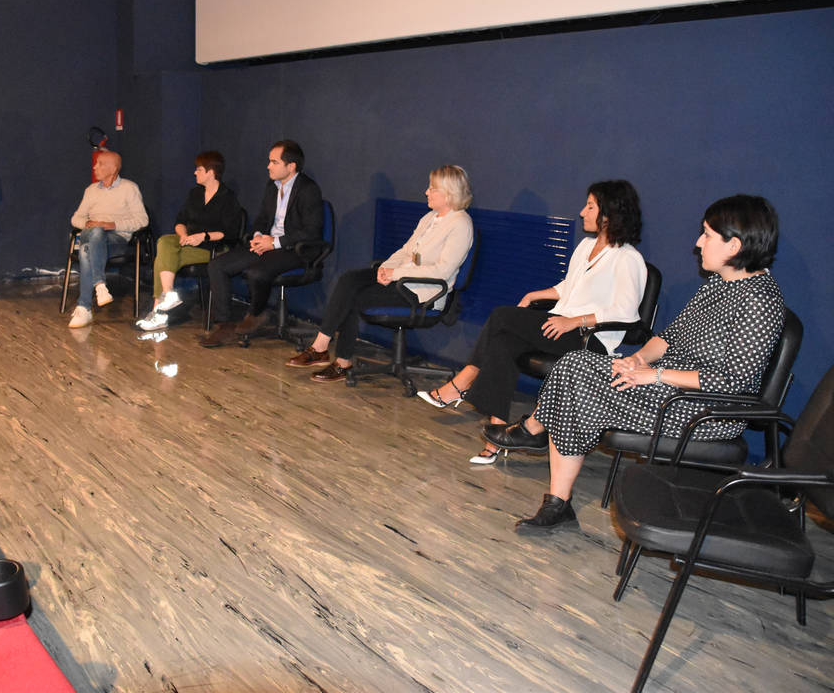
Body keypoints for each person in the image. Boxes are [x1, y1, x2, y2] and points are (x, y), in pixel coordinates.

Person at [487, 195, 785, 531]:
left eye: (706, 234)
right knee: (574, 364)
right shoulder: (719, 284)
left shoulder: (760, 301)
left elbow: (732, 383)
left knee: (575, 375)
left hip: (704, 410)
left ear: (734, 245)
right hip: (668, 387)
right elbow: (668, 338)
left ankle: (537, 439)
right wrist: (636, 359)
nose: (698, 243)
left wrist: (654, 375)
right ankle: (554, 492)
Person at [421, 181, 647, 466]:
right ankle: (497, 435)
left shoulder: (628, 258)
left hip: (589, 338)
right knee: (503, 343)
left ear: (609, 213)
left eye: (590, 206)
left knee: (502, 316)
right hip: (561, 325)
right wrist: (535, 295)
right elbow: (569, 287)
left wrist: (574, 321)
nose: (582, 212)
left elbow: (627, 313)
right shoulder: (586, 246)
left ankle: (464, 380)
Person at [285, 166, 474, 382]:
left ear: (448, 193)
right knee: (349, 279)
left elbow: (443, 271)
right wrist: (385, 268)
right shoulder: (430, 218)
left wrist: (395, 274)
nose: (426, 192)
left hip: (423, 293)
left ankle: (339, 360)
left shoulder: (460, 224)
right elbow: (406, 251)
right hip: (403, 280)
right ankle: (321, 346)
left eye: (432, 188)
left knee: (355, 297)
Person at [200, 139, 324, 348]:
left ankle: (256, 314)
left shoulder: (308, 189)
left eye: (274, 162)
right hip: (266, 243)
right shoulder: (272, 186)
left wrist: (275, 242)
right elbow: (262, 218)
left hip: (293, 249)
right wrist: (257, 236)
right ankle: (224, 325)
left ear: (291, 166)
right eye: (269, 161)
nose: (268, 166)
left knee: (256, 272)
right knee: (217, 265)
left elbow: (311, 231)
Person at [136, 151, 242, 332]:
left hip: (212, 247)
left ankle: (158, 312)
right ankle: (167, 294)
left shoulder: (228, 198)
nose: (195, 173)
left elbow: (230, 233)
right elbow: (180, 221)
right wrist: (183, 235)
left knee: (163, 258)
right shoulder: (195, 193)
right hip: (188, 241)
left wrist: (203, 236)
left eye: (199, 169)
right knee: (165, 242)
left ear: (211, 172)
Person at [67, 150, 149, 328]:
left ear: (113, 168)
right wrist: (88, 223)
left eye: (100, 164)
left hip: (116, 238)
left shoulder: (129, 188)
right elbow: (76, 218)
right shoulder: (91, 190)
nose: (95, 167)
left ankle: (84, 308)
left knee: (85, 250)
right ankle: (100, 285)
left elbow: (142, 220)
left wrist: (112, 225)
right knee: (96, 232)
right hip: (90, 233)